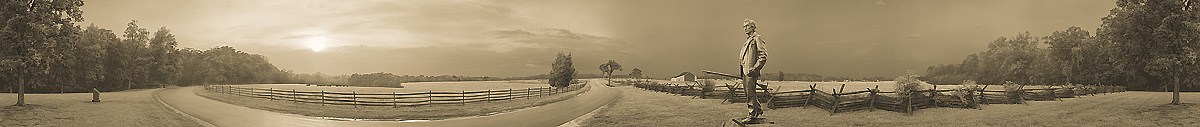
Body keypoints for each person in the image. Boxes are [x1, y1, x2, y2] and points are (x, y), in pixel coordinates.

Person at [739, 19, 769, 124]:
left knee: (750, 93)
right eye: (744, 26)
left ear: (753, 27)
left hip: (751, 71)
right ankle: (758, 110)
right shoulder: (748, 40)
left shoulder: (758, 38)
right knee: (748, 93)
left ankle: (752, 115)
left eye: (747, 26)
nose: (745, 28)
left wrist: (755, 69)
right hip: (745, 71)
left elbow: (763, 56)